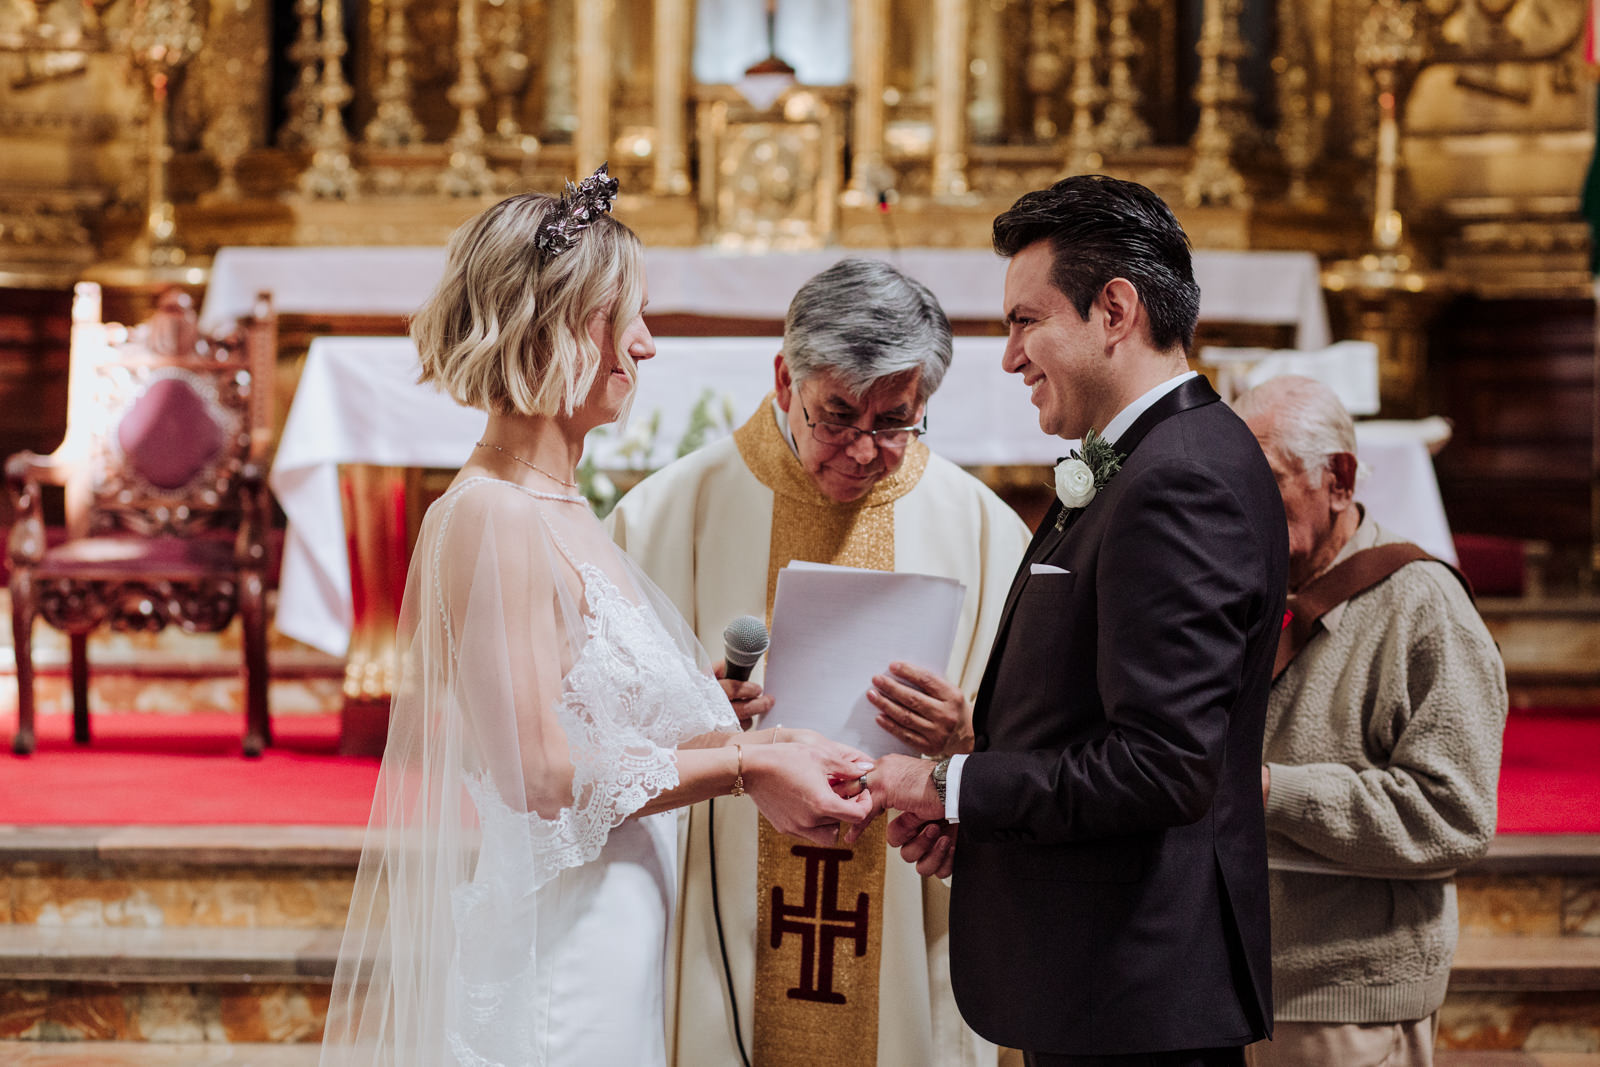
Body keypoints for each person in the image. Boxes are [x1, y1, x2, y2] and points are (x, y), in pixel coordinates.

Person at [318, 167, 875, 1067]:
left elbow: (596, 728)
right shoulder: (492, 513)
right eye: (628, 317)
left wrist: (716, 721)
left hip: (615, 929)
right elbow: (539, 771)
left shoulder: (565, 508)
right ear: (559, 327)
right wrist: (743, 765)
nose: (646, 346)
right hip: (561, 948)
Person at [855, 175, 1288, 1066]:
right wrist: (984, 813)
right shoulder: (1149, 457)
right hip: (1106, 977)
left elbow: (1162, 767)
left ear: (1115, 309)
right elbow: (1089, 718)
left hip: (1133, 989)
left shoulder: (1180, 480)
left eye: (1025, 320)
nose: (1010, 356)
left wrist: (946, 787)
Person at [607, 258, 1030, 1067]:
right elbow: (597, 745)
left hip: (906, 897)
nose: (866, 450)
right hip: (724, 900)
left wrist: (971, 736)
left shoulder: (984, 530)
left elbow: (1038, 751)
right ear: (784, 377)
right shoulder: (667, 516)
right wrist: (702, 724)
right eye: (837, 416)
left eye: (896, 422)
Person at [1230, 375, 1507, 1067]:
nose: (1237, 504)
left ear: (1340, 479)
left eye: (1263, 479)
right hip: (1224, 977)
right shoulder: (1237, 590)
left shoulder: (1422, 605)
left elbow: (1455, 812)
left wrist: (1271, 789)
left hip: (1345, 997)